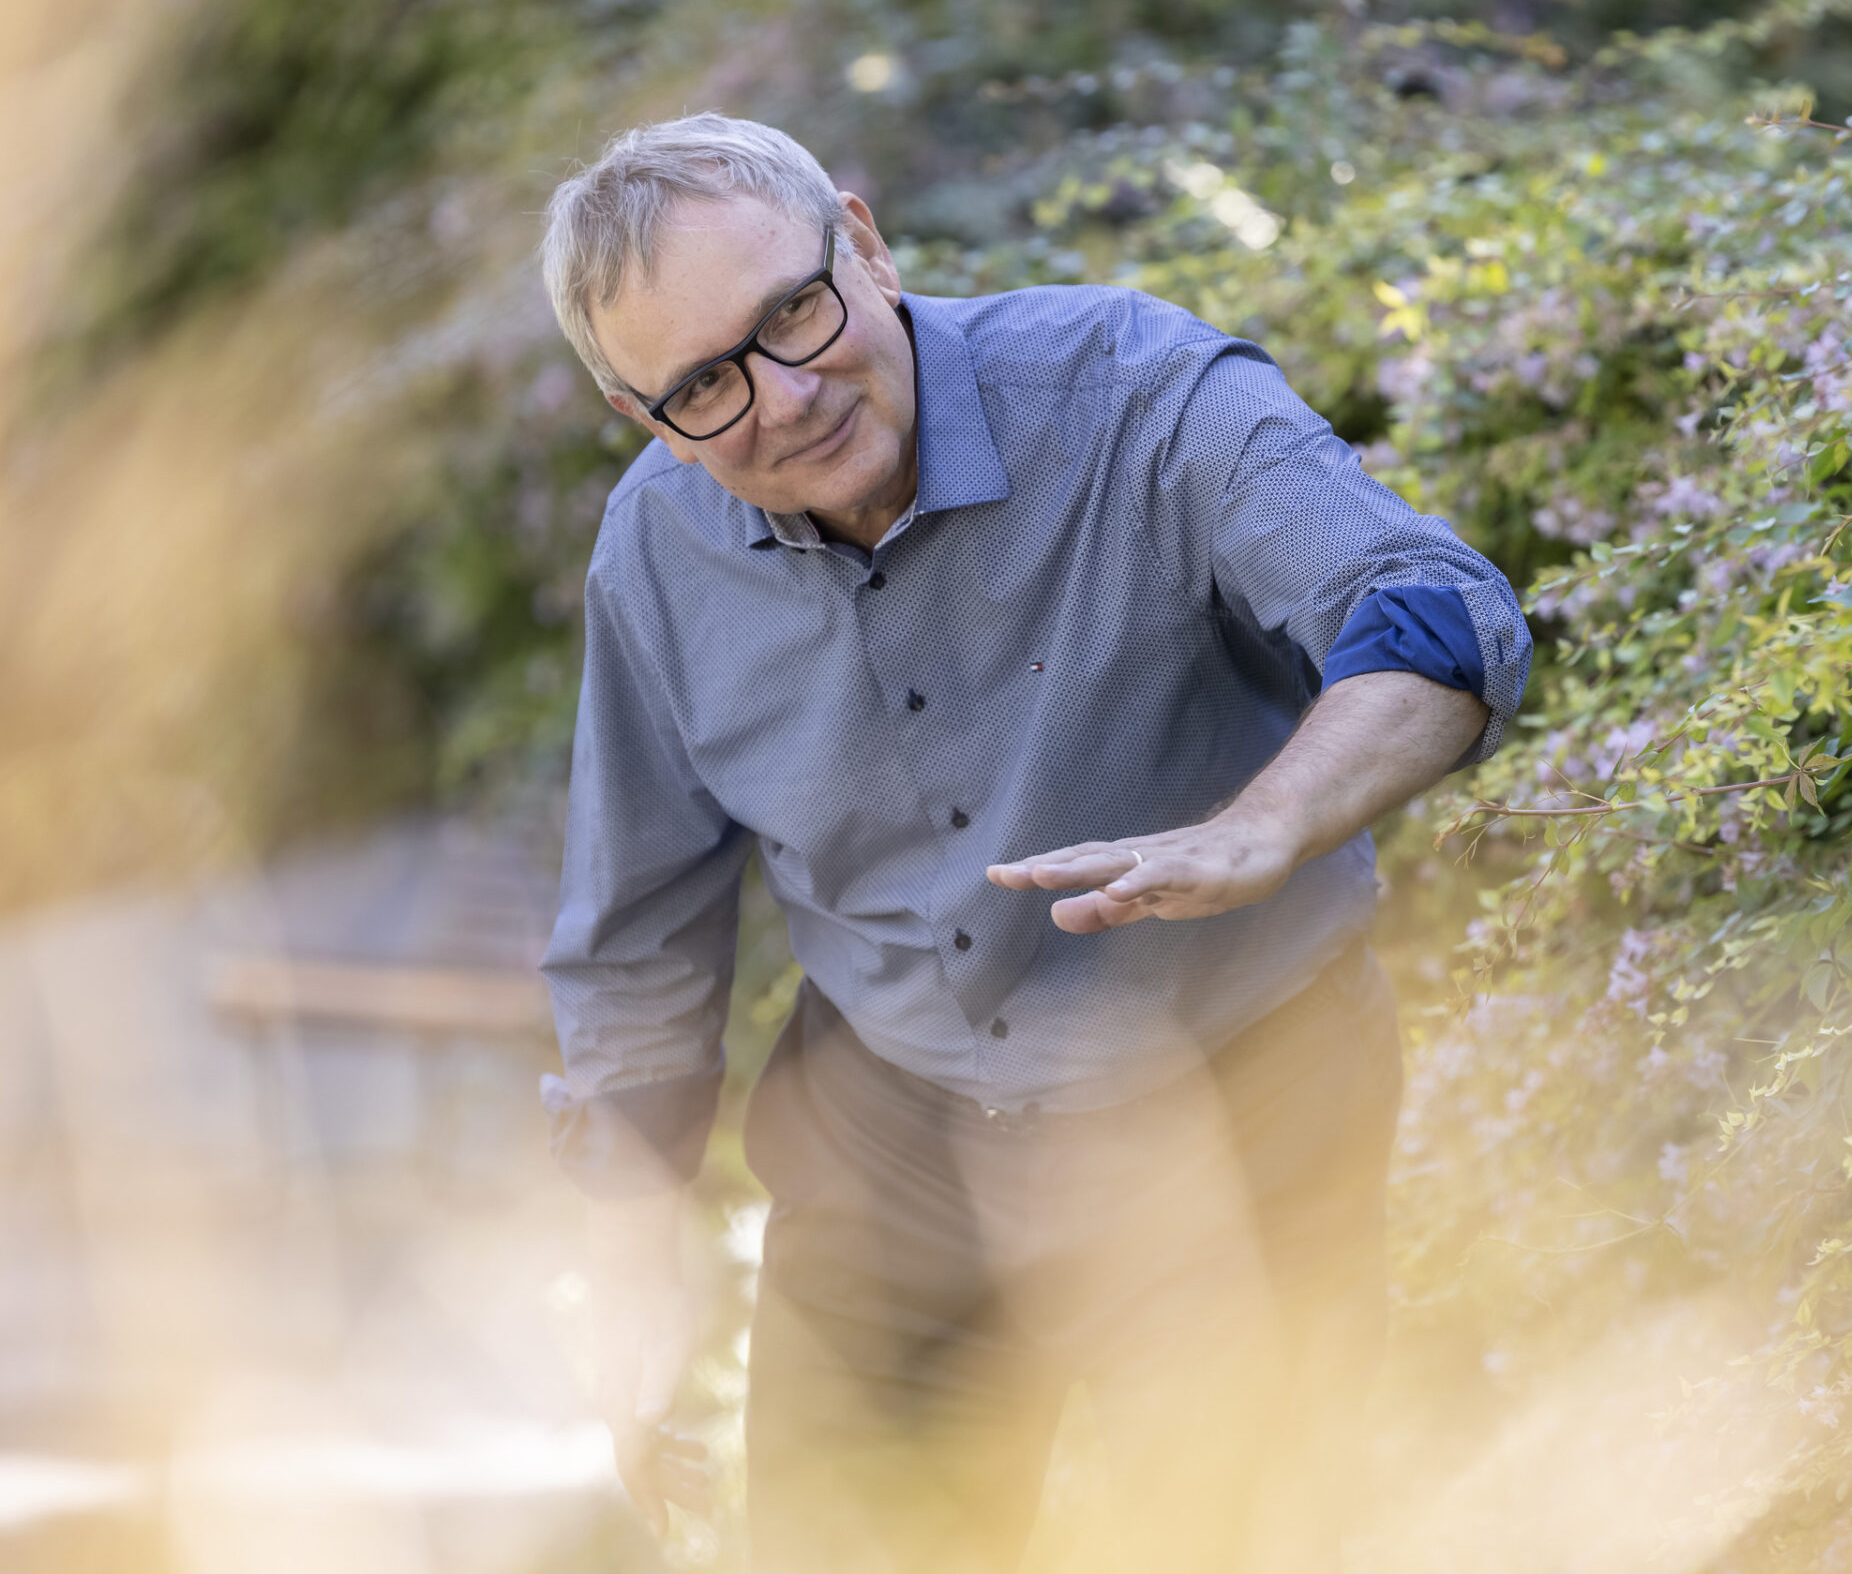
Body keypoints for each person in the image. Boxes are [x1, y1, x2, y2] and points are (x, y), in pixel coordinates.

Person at [534, 112, 1530, 1573]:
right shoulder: (656, 555)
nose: (786, 395)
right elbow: (634, 945)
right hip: (888, 1151)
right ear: (642, 414)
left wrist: (1263, 830)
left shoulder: (1136, 390)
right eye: (703, 386)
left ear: (863, 246)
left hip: (1245, 1112)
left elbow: (1436, 613)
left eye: (795, 313)